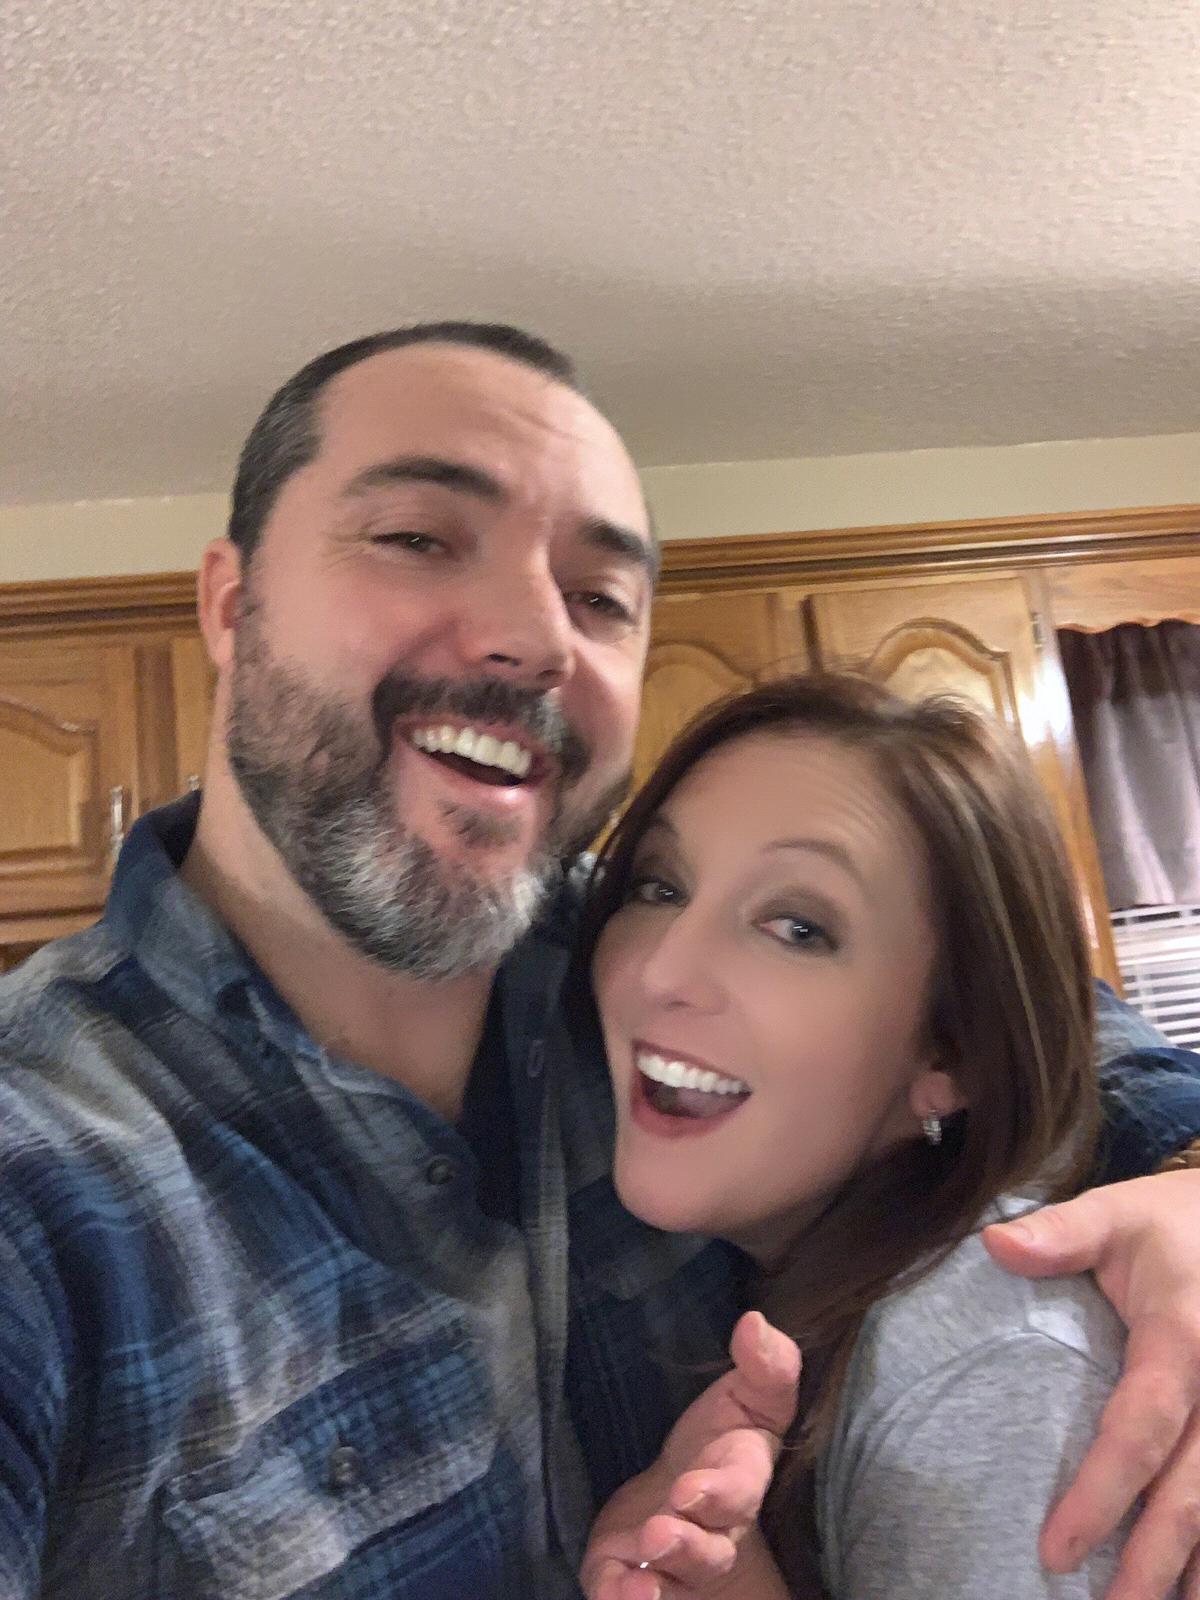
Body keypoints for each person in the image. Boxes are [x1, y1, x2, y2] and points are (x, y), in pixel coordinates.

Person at [0, 322, 1199, 1599]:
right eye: (417, 537)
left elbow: (1030, 1018)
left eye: (602, 599)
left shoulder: (625, 954)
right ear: (232, 607)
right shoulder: (42, 1174)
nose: (537, 637)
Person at [583, 672, 1197, 1597]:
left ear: (951, 1051)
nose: (662, 971)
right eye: (658, 886)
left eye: (797, 928)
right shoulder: (820, 1290)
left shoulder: (989, 1367)